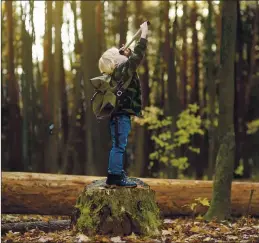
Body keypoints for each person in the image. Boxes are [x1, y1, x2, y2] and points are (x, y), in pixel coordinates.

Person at [98, 21, 149, 188]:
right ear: (116, 62)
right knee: (119, 146)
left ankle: (117, 172)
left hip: (118, 115)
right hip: (121, 116)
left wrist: (125, 54)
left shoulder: (117, 73)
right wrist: (144, 35)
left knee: (118, 144)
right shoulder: (122, 70)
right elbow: (137, 57)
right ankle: (115, 177)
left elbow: (130, 60)